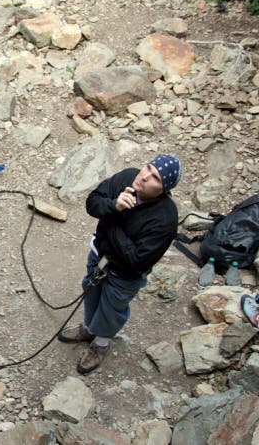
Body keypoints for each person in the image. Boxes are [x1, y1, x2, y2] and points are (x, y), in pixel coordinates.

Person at [57, 155, 181, 374]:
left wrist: (114, 215)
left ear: (163, 189)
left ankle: (101, 344)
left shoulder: (165, 218)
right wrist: (112, 205)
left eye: (155, 178)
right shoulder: (127, 177)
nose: (144, 176)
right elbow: (93, 202)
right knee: (91, 291)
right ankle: (88, 328)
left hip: (124, 275)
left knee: (112, 308)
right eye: (148, 167)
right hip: (99, 256)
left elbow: (136, 261)